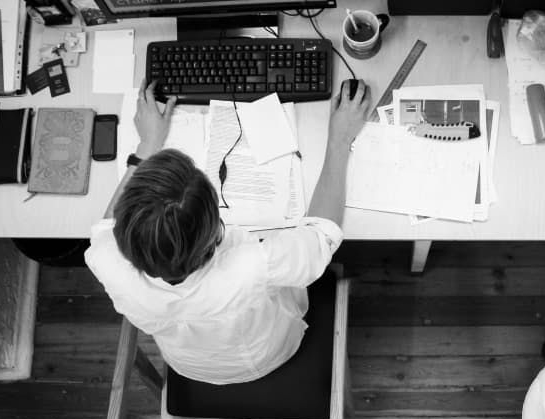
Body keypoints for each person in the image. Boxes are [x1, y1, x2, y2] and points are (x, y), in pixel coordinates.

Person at [84, 79, 371, 384]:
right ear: (213, 229)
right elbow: (321, 236)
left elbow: (106, 226)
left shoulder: (104, 260)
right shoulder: (251, 266)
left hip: (187, 364)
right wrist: (339, 141)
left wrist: (146, 146)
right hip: (267, 354)